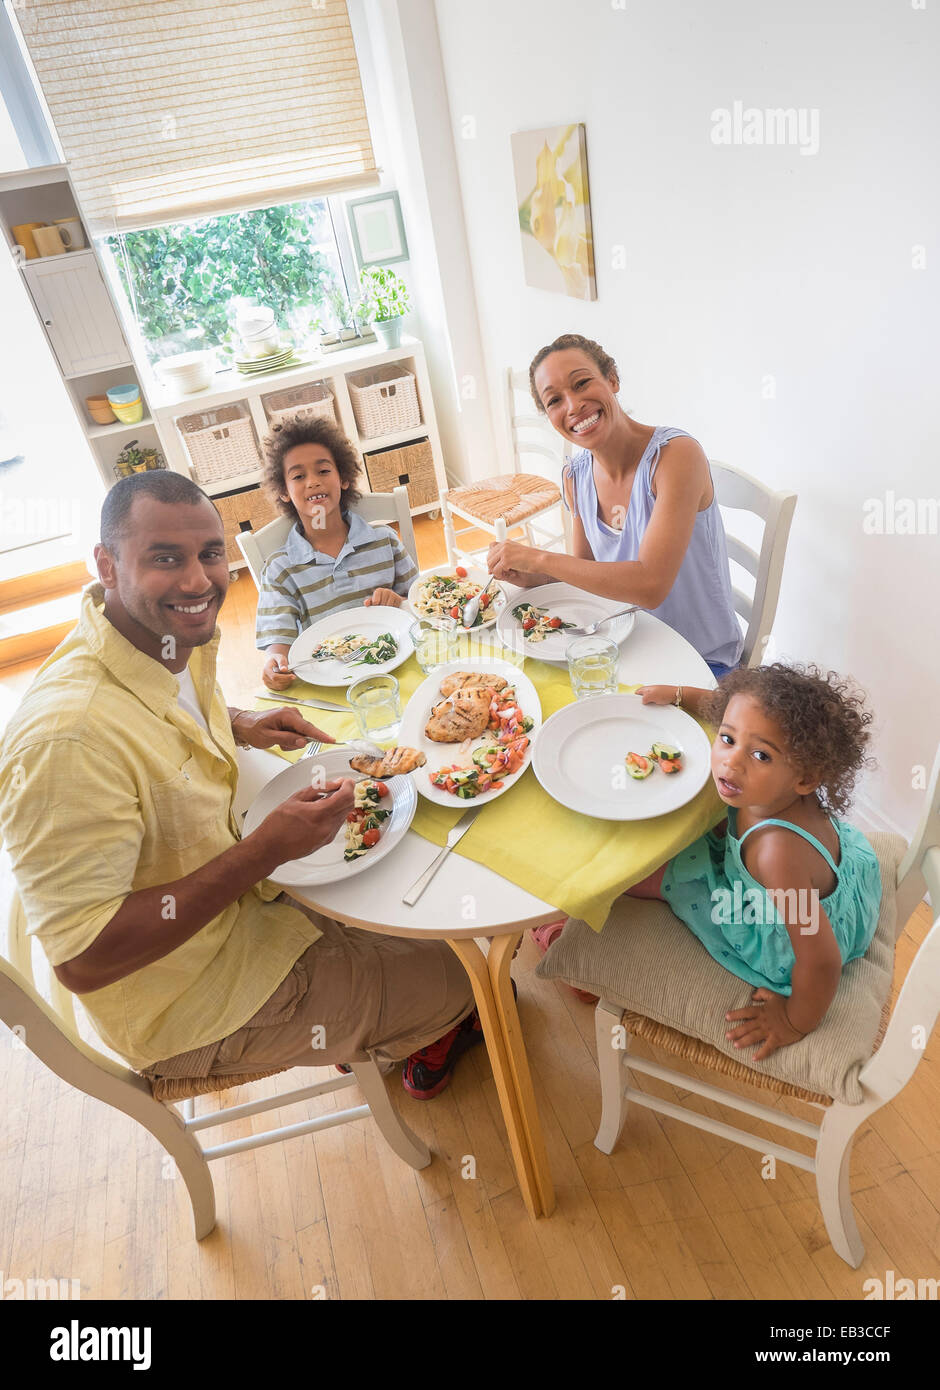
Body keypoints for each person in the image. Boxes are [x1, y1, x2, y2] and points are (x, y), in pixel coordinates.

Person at [0, 470, 482, 1100]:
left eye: (208, 554)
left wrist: (241, 723)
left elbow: (167, 717)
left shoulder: (164, 637)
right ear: (106, 565)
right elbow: (84, 960)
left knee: (435, 900)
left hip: (252, 898)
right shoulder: (66, 741)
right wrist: (264, 852)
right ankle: (417, 1028)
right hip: (193, 996)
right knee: (469, 978)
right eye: (164, 559)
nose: (198, 581)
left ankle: (376, 1017)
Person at [625, 664, 882, 1059]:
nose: (731, 762)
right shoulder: (783, 786)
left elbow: (821, 958)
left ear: (806, 779)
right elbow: (726, 708)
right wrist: (678, 695)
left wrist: (795, 1020)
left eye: (761, 755)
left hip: (788, 937)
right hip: (817, 887)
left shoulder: (778, 855)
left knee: (647, 873)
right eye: (726, 739)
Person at [487, 333, 743, 679]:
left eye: (582, 383)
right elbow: (583, 571)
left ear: (612, 379)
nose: (573, 406)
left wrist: (539, 557)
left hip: (699, 664)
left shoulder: (675, 457)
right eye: (555, 401)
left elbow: (651, 586)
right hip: (624, 648)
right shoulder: (576, 476)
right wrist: (531, 575)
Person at [257, 415, 418, 692]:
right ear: (284, 491)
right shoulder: (280, 570)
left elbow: (419, 605)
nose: (312, 482)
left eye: (323, 471)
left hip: (399, 667)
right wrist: (274, 663)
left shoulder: (384, 541)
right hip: (332, 683)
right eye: (298, 476)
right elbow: (278, 645)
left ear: (343, 478)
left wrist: (399, 600)